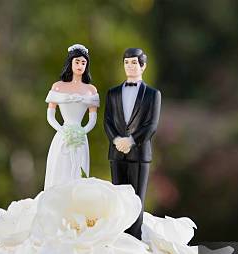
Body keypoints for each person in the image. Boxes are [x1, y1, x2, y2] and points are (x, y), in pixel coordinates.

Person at [104, 47, 161, 239]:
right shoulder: (113, 93)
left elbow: (151, 125)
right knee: (118, 199)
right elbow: (108, 122)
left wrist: (131, 141)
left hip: (139, 154)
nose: (130, 66)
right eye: (126, 62)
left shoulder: (153, 95)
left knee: (136, 200)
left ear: (143, 66)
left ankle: (135, 240)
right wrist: (116, 140)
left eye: (134, 62)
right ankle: (119, 238)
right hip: (117, 153)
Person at [44, 44, 99, 189]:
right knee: (60, 169)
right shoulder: (58, 87)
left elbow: (92, 120)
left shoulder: (91, 90)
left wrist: (81, 132)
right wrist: (63, 131)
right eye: (77, 62)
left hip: (80, 137)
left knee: (78, 170)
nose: (80, 65)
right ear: (71, 63)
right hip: (63, 136)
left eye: (83, 62)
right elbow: (50, 116)